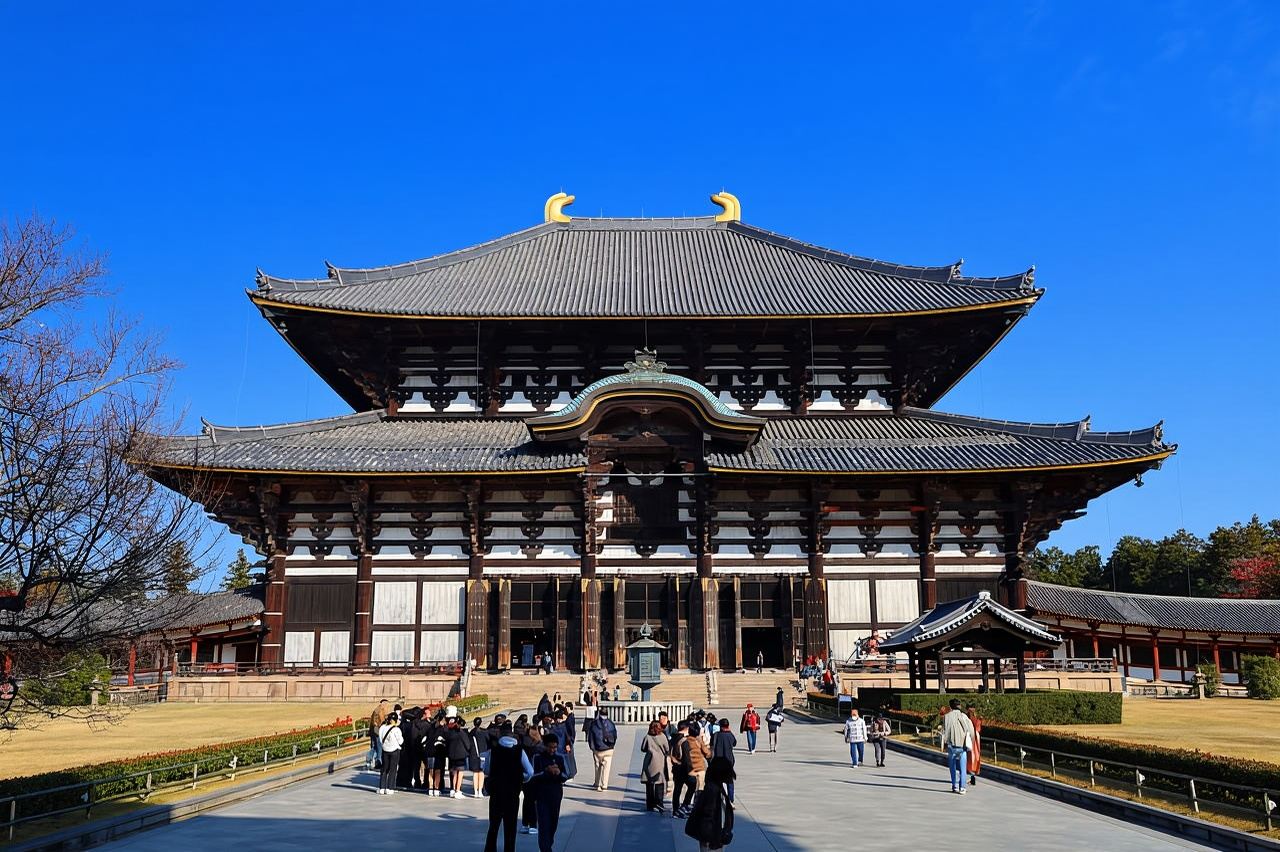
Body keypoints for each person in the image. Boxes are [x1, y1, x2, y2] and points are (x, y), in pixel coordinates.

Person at [484, 722, 534, 852]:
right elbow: (530, 772)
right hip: (512, 793)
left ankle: (490, 849)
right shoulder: (519, 750)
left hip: (496, 793)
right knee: (510, 827)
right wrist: (521, 778)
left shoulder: (493, 750)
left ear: (500, 734)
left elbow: (486, 770)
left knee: (493, 826)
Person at [685, 755, 735, 851]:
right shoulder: (712, 790)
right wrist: (711, 840)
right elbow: (707, 817)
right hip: (712, 839)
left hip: (716, 835)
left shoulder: (716, 787)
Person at [532, 733, 567, 851]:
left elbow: (565, 775)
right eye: (550, 747)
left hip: (556, 796)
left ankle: (548, 844)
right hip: (541, 796)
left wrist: (558, 773)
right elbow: (533, 776)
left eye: (555, 747)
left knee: (553, 824)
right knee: (543, 825)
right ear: (545, 746)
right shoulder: (538, 758)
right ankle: (545, 848)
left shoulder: (560, 758)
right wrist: (546, 771)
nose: (552, 750)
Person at [942, 698, 976, 794]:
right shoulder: (964, 717)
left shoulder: (946, 717)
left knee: (952, 767)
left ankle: (954, 785)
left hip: (951, 745)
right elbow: (971, 731)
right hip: (962, 746)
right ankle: (962, 787)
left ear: (951, 706)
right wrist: (971, 742)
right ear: (959, 706)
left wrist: (945, 743)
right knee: (962, 768)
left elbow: (945, 731)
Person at [641, 720, 671, 813]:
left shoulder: (647, 736)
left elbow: (643, 748)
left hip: (649, 761)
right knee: (659, 783)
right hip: (660, 761)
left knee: (649, 783)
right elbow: (667, 749)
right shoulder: (662, 736)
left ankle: (650, 804)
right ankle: (659, 803)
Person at [588, 707, 618, 790]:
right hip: (609, 749)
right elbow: (615, 736)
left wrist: (592, 748)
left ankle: (597, 783)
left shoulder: (594, 724)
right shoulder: (611, 723)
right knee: (607, 767)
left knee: (598, 766)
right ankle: (604, 784)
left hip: (598, 749)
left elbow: (590, 737)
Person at [376, 711, 403, 794]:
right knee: (393, 769)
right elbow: (401, 741)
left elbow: (380, 740)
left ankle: (382, 787)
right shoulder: (396, 729)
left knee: (384, 769)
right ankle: (390, 788)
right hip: (394, 750)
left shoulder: (382, 727)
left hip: (385, 750)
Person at [710, 718, 737, 802]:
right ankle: (731, 799)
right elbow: (734, 743)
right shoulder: (730, 735)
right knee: (729, 781)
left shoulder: (716, 735)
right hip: (729, 760)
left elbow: (711, 745)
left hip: (718, 760)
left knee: (718, 781)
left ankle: (718, 798)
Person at [670, 721, 692, 818]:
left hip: (675, 767)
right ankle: (684, 805)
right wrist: (690, 770)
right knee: (692, 785)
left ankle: (676, 809)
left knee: (677, 789)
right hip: (683, 768)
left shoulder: (672, 738)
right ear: (686, 728)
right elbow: (687, 758)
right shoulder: (684, 741)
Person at [367, 699, 390, 769]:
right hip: (377, 731)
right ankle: (378, 762)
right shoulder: (380, 710)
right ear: (383, 703)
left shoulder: (377, 709)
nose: (387, 706)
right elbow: (381, 720)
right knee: (379, 747)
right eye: (386, 704)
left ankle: (369, 760)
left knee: (374, 747)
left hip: (373, 731)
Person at [471, 717, 491, 798]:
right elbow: (488, 740)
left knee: (475, 773)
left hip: (474, 754)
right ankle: (480, 790)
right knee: (481, 773)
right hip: (483, 754)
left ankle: (475, 791)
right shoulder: (484, 732)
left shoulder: (471, 732)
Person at [966, 704, 983, 786]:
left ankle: (970, 777)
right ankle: (973, 777)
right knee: (974, 759)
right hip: (976, 741)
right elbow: (978, 729)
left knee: (969, 759)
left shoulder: (967, 719)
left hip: (969, 740)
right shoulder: (977, 720)